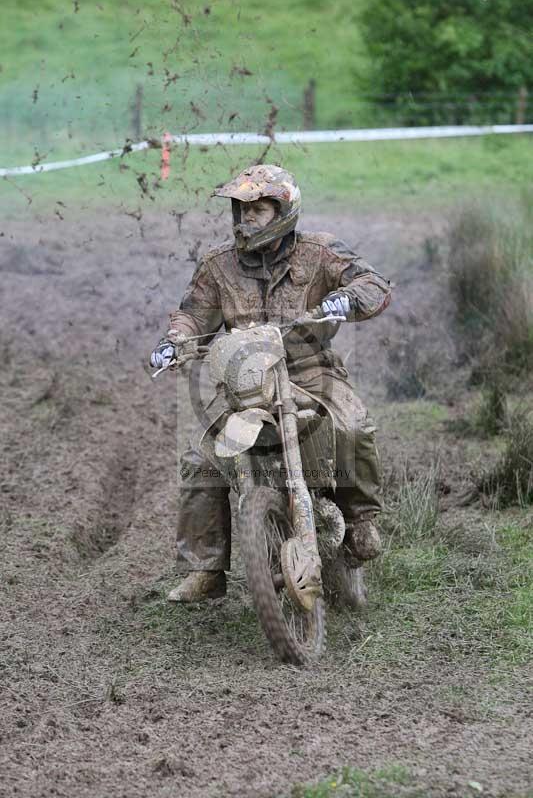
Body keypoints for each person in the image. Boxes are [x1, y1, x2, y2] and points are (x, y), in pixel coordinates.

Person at [150, 164, 391, 603]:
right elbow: (193, 313)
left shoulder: (320, 251)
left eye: (257, 210)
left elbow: (372, 282)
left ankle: (361, 522)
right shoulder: (218, 265)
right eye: (240, 211)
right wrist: (175, 341)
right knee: (200, 457)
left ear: (283, 210)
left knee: (353, 427)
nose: (246, 220)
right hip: (246, 381)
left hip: (311, 370)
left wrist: (347, 297)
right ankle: (205, 569)